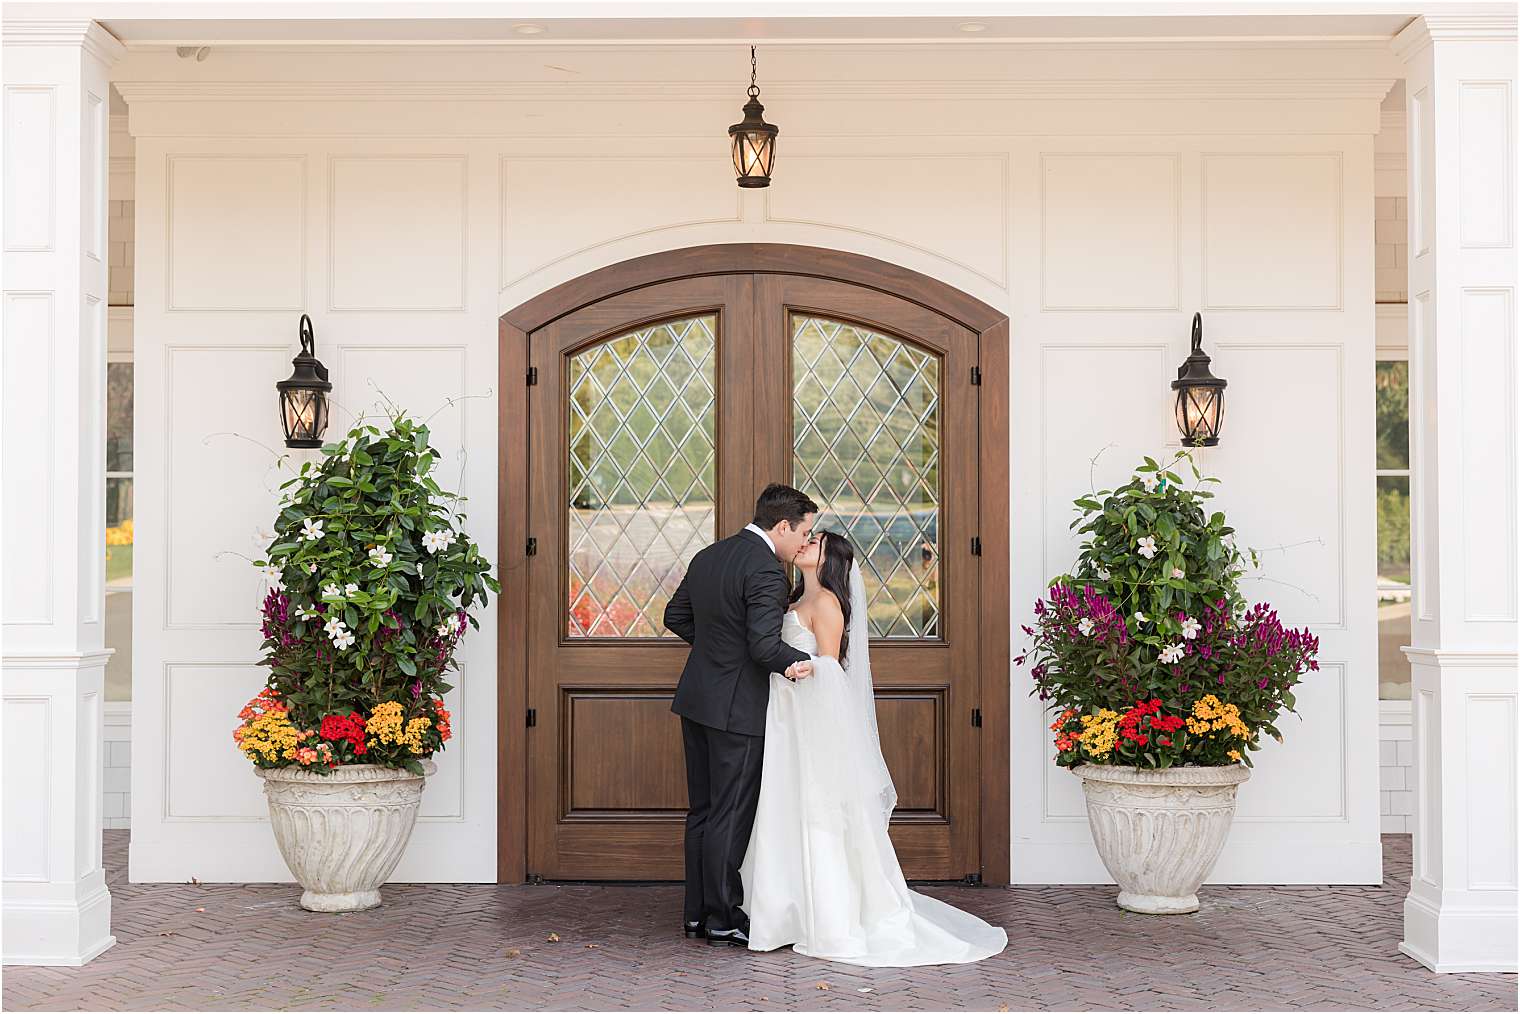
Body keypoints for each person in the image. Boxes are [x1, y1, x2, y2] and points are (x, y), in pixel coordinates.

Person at [740, 529, 1008, 966]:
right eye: (807, 538)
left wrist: (800, 669)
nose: (805, 544)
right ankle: (785, 910)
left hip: (807, 715)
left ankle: (827, 915)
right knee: (784, 802)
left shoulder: (827, 604)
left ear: (830, 560)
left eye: (816, 542)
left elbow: (830, 668)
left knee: (815, 807)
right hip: (784, 715)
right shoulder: (795, 599)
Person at [663, 483, 817, 948]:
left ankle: (696, 914)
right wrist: (809, 664)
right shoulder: (767, 571)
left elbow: (675, 616)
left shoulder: (709, 555)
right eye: (803, 533)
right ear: (783, 526)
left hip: (697, 699)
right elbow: (764, 647)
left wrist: (718, 651)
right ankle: (723, 916)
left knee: (703, 811)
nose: (804, 543)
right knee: (729, 814)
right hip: (736, 708)